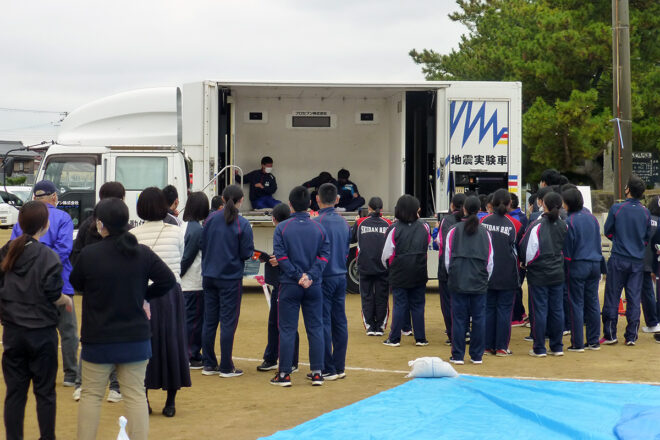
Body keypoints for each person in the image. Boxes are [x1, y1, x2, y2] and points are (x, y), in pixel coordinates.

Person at [70, 198, 175, 440]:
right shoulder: (142, 253)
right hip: (135, 339)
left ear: (100, 224)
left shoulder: (89, 254)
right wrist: (143, 294)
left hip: (98, 339)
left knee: (91, 396)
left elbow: (77, 284)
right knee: (136, 395)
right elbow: (168, 281)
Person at [0, 201, 73, 440]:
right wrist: (65, 301)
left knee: (15, 393)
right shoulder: (48, 256)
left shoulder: (7, 251)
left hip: (13, 333)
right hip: (42, 333)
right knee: (45, 392)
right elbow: (53, 294)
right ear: (45, 224)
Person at [10, 180, 78, 387]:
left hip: (28, 286)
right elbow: (65, 249)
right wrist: (45, 265)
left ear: (34, 198)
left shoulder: (20, 222)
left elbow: (15, 252)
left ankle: (34, 371)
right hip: (60, 284)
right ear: (54, 197)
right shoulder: (63, 217)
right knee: (68, 331)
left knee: (35, 329)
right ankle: (70, 374)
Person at [130, 187, 191, 417]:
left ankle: (144, 399)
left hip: (144, 295)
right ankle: (171, 402)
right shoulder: (176, 231)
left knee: (144, 347)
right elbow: (180, 257)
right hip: (171, 294)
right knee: (173, 344)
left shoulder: (134, 234)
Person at [71, 181, 127, 402]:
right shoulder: (102, 226)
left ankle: (92, 385)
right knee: (110, 338)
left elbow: (75, 257)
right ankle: (105, 386)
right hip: (112, 292)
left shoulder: (87, 224)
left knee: (92, 337)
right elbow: (77, 257)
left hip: (93, 292)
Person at [270, 186, 330, 387]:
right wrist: (310, 276)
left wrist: (298, 276)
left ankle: (284, 374)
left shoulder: (282, 228)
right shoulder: (319, 228)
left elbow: (281, 257)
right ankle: (317, 372)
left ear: (290, 205)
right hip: (313, 285)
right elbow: (324, 256)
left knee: (287, 329)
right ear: (310, 204)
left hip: (289, 284)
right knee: (315, 328)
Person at [201, 185, 254, 377]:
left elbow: (203, 244)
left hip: (209, 275)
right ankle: (225, 366)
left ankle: (208, 363)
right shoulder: (242, 223)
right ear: (240, 200)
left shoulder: (210, 220)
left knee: (209, 320)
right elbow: (246, 252)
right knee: (228, 322)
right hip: (230, 278)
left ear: (222, 199)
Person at [602, 175, 652, 346]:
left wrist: (618, 239)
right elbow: (647, 237)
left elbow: (608, 231)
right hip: (637, 259)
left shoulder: (617, 208)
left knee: (612, 295)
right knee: (634, 297)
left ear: (628, 190)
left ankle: (610, 334)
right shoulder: (646, 211)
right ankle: (631, 335)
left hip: (619, 257)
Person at [445, 196, 494, 364]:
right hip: (479, 281)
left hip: (458, 280)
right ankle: (477, 356)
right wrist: (484, 278)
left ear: (463, 209)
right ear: (479, 210)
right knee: (479, 319)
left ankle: (458, 355)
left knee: (459, 319)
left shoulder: (453, 230)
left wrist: (453, 275)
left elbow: (447, 259)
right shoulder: (485, 232)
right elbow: (490, 261)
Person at [521, 192, 567, 357]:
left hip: (539, 273)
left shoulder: (537, 225)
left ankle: (539, 347)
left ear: (543, 205)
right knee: (557, 310)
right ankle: (557, 346)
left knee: (540, 310)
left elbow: (528, 250)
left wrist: (526, 264)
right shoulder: (563, 225)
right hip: (557, 272)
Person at [381, 194, 431, 347]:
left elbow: (386, 254)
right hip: (419, 271)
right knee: (418, 305)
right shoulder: (424, 227)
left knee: (399, 304)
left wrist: (389, 267)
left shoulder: (394, 229)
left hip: (400, 272)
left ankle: (394, 338)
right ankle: (420, 338)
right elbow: (426, 245)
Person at [313, 183, 351, 380]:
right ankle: (339, 365)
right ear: (337, 199)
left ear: (317, 199)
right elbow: (346, 250)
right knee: (340, 321)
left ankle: (328, 368)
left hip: (323, 277)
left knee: (324, 321)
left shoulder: (317, 222)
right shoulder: (344, 223)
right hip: (340, 275)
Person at [256, 203, 300, 372]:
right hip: (291, 281)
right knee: (287, 323)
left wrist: (277, 260)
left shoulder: (281, 231)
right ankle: (288, 360)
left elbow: (284, 257)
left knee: (278, 322)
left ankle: (275, 358)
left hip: (284, 283)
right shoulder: (293, 230)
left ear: (274, 219)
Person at [481, 190, 521, 356]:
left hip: (487, 273)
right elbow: (517, 248)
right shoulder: (514, 224)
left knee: (488, 309)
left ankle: (487, 345)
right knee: (504, 310)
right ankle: (501, 347)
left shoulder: (483, 221)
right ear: (509, 204)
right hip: (507, 273)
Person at [562, 188, 603, 351]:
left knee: (576, 304)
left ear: (568, 203)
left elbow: (568, 249)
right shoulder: (592, 218)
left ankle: (577, 343)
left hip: (578, 264)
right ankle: (593, 341)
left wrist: (566, 266)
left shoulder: (569, 221)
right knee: (593, 302)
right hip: (595, 263)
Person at [351, 196, 392, 336]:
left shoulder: (361, 222)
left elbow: (351, 238)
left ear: (369, 208)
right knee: (382, 296)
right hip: (383, 266)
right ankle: (380, 326)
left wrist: (355, 223)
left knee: (366, 296)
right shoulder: (388, 223)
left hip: (365, 265)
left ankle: (370, 326)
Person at [180, 192, 210, 369]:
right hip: (193, 281)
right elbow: (189, 257)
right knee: (194, 321)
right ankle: (190, 354)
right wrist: (179, 273)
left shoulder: (183, 226)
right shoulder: (197, 229)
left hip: (185, 283)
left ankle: (187, 352)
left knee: (187, 319)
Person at [435, 193, 466, 345]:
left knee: (448, 303)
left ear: (452, 205)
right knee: (464, 303)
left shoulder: (446, 221)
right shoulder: (473, 221)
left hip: (447, 268)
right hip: (467, 269)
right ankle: (465, 331)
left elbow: (441, 243)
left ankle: (453, 334)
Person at [642, 196, 660, 333]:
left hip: (641, 260)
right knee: (651, 292)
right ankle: (654, 321)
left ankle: (653, 321)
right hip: (655, 262)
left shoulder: (646, 218)